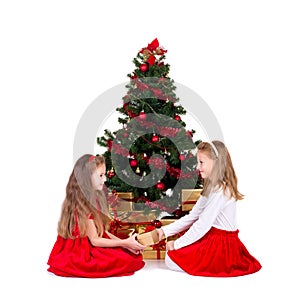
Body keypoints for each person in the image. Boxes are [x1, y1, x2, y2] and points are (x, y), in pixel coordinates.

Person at [157, 140, 262, 277]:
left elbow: (202, 225)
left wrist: (176, 244)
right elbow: (193, 216)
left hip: (222, 244)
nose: (198, 168)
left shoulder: (221, 190)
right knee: (171, 256)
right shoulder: (211, 187)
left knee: (171, 259)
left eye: (201, 162)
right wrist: (164, 231)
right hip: (212, 236)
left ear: (216, 163)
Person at [47, 154, 146, 278]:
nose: (104, 180)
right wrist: (125, 243)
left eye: (104, 175)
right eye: (100, 175)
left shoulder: (94, 198)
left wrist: (125, 243)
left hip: (93, 243)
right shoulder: (82, 205)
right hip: (82, 253)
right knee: (127, 261)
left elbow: (101, 232)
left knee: (131, 255)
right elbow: (95, 240)